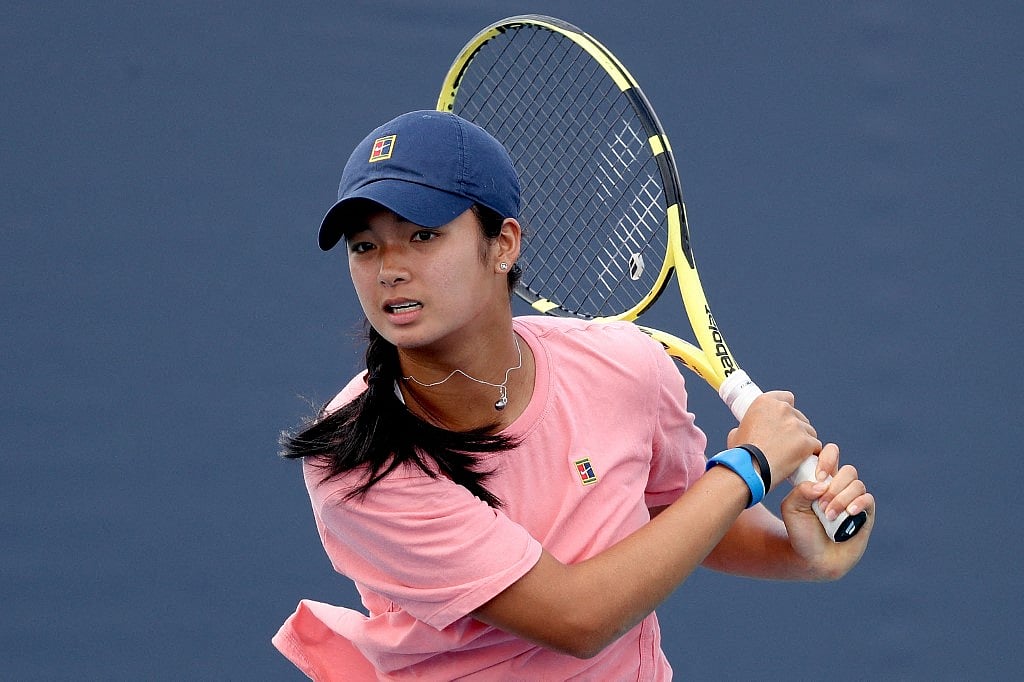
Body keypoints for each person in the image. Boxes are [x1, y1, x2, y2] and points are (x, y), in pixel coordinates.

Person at [273, 110, 875, 680]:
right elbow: (575, 619)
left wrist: (801, 552)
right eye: (364, 245)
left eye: (424, 235)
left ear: (502, 244)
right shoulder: (354, 460)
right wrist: (750, 463)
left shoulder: (626, 367)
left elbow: (677, 515)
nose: (389, 268)